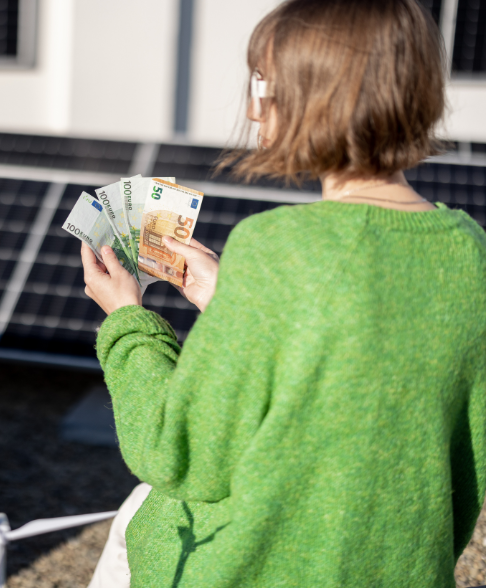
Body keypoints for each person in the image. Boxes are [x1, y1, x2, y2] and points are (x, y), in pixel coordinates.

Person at [81, 0, 486, 586]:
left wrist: (127, 321)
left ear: (313, 94)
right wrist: (233, 302)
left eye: (262, 81)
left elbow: (179, 453)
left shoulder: (278, 247)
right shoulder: (471, 252)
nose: (253, 105)